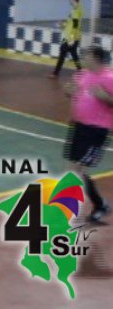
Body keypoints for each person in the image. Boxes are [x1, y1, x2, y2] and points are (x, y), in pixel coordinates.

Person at [63, 46, 112, 222]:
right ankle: (99, 204)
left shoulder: (109, 78)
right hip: (79, 127)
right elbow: (76, 94)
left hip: (96, 130)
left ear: (96, 58)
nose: (83, 58)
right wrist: (69, 93)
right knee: (72, 169)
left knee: (77, 170)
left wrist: (105, 98)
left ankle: (90, 207)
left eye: (87, 56)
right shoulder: (83, 74)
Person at [50, 0, 83, 78]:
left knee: (62, 53)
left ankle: (55, 73)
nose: (69, 0)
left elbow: (75, 25)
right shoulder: (76, 9)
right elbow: (71, 23)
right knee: (74, 55)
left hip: (70, 38)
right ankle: (80, 71)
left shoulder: (76, 10)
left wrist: (71, 39)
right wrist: (62, 25)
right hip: (73, 37)